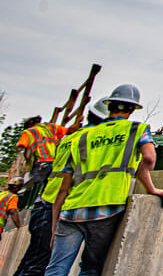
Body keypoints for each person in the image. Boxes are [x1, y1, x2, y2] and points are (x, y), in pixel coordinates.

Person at [45, 84, 163, 276]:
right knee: (90, 268)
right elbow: (148, 159)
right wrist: (151, 188)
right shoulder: (136, 129)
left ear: (110, 107)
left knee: (56, 268)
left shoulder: (83, 136)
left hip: (72, 209)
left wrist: (55, 225)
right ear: (131, 110)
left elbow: (64, 187)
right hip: (106, 208)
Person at [12, 99, 109, 276]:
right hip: (53, 204)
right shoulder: (55, 130)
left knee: (33, 261)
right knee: (37, 265)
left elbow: (23, 149)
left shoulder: (70, 139)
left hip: (44, 199)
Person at [9, 117, 67, 192]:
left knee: (34, 186)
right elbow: (68, 131)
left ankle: (36, 199)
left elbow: (21, 146)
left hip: (40, 162)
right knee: (48, 184)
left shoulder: (28, 132)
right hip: (55, 162)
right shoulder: (51, 127)